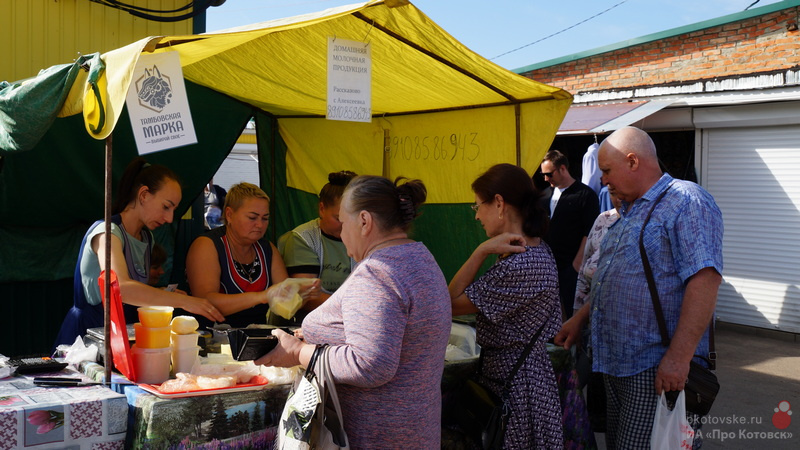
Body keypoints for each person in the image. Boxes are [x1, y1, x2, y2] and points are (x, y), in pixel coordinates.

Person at [555, 126, 723, 449]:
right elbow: (616, 276)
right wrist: (579, 320)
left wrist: (677, 358)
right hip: (618, 365)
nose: (602, 180)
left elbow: (704, 280)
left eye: (606, 171)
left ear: (632, 162)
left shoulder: (684, 200)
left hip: (654, 369)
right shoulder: (631, 210)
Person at [256, 175, 452, 449]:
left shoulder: (376, 273)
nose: (340, 232)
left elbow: (371, 363)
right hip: (413, 429)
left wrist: (297, 353)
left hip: (374, 435)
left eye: (343, 221)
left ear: (364, 221)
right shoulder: (420, 257)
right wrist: (323, 337)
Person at [449, 163, 563, 449]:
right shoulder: (535, 249)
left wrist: (480, 251)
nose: (476, 216)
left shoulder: (521, 264)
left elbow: (447, 302)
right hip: (522, 380)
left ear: (498, 203)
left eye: (477, 207)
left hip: (518, 389)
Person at [54, 158, 225, 348]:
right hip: (88, 338)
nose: (169, 218)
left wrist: (161, 293)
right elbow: (122, 288)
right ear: (143, 195)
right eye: (166, 207)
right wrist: (184, 301)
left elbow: (133, 294)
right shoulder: (107, 232)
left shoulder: (146, 237)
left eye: (173, 210)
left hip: (122, 336)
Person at [186, 182, 319, 329]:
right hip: (212, 338)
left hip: (258, 336)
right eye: (252, 218)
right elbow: (205, 301)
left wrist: (302, 293)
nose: (260, 225)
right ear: (229, 215)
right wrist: (262, 296)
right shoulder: (207, 245)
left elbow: (283, 298)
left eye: (265, 218)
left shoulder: (267, 249)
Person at [277, 170, 357, 316]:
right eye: (338, 218)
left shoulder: (362, 237)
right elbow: (306, 297)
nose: (345, 225)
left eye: (352, 219)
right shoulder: (302, 239)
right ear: (321, 209)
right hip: (310, 320)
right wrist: (354, 308)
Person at [540, 149, 600, 318]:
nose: (546, 179)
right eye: (543, 175)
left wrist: (578, 261)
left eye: (549, 174)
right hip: (547, 263)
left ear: (563, 169)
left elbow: (589, 230)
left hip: (571, 263)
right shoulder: (544, 195)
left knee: (572, 306)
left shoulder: (586, 195)